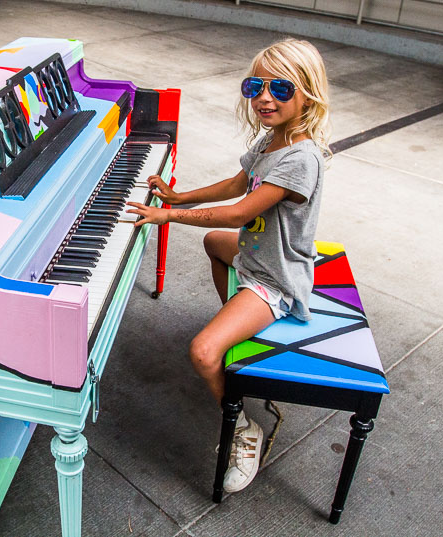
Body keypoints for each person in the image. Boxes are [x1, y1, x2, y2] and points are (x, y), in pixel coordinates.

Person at [126, 38, 331, 492]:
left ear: (307, 93)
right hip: (257, 258)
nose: (264, 97)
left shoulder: (301, 158)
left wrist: (168, 215)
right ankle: (236, 320)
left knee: (202, 352)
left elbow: (240, 212)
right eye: (255, 85)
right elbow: (238, 183)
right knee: (215, 243)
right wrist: (181, 195)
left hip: (276, 280)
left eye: (280, 88)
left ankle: (244, 429)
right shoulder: (274, 139)